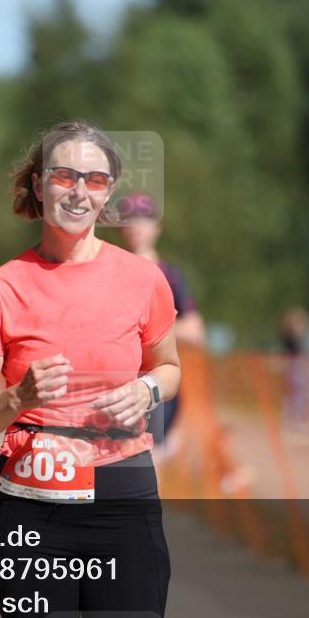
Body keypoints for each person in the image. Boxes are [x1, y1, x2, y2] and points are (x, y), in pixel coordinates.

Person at [0, 121, 180, 618]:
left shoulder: (143, 279)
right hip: (31, 511)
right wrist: (17, 398)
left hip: (122, 503)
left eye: (96, 180)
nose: (79, 191)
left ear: (108, 195)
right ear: (37, 184)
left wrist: (147, 391)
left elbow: (170, 367)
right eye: (64, 175)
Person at [118, 192, 203, 451]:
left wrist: (146, 324)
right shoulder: (113, 271)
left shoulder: (170, 275)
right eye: (130, 219)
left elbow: (195, 332)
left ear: (157, 228)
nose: (136, 226)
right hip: (117, 385)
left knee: (145, 467)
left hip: (157, 389)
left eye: (144, 219)